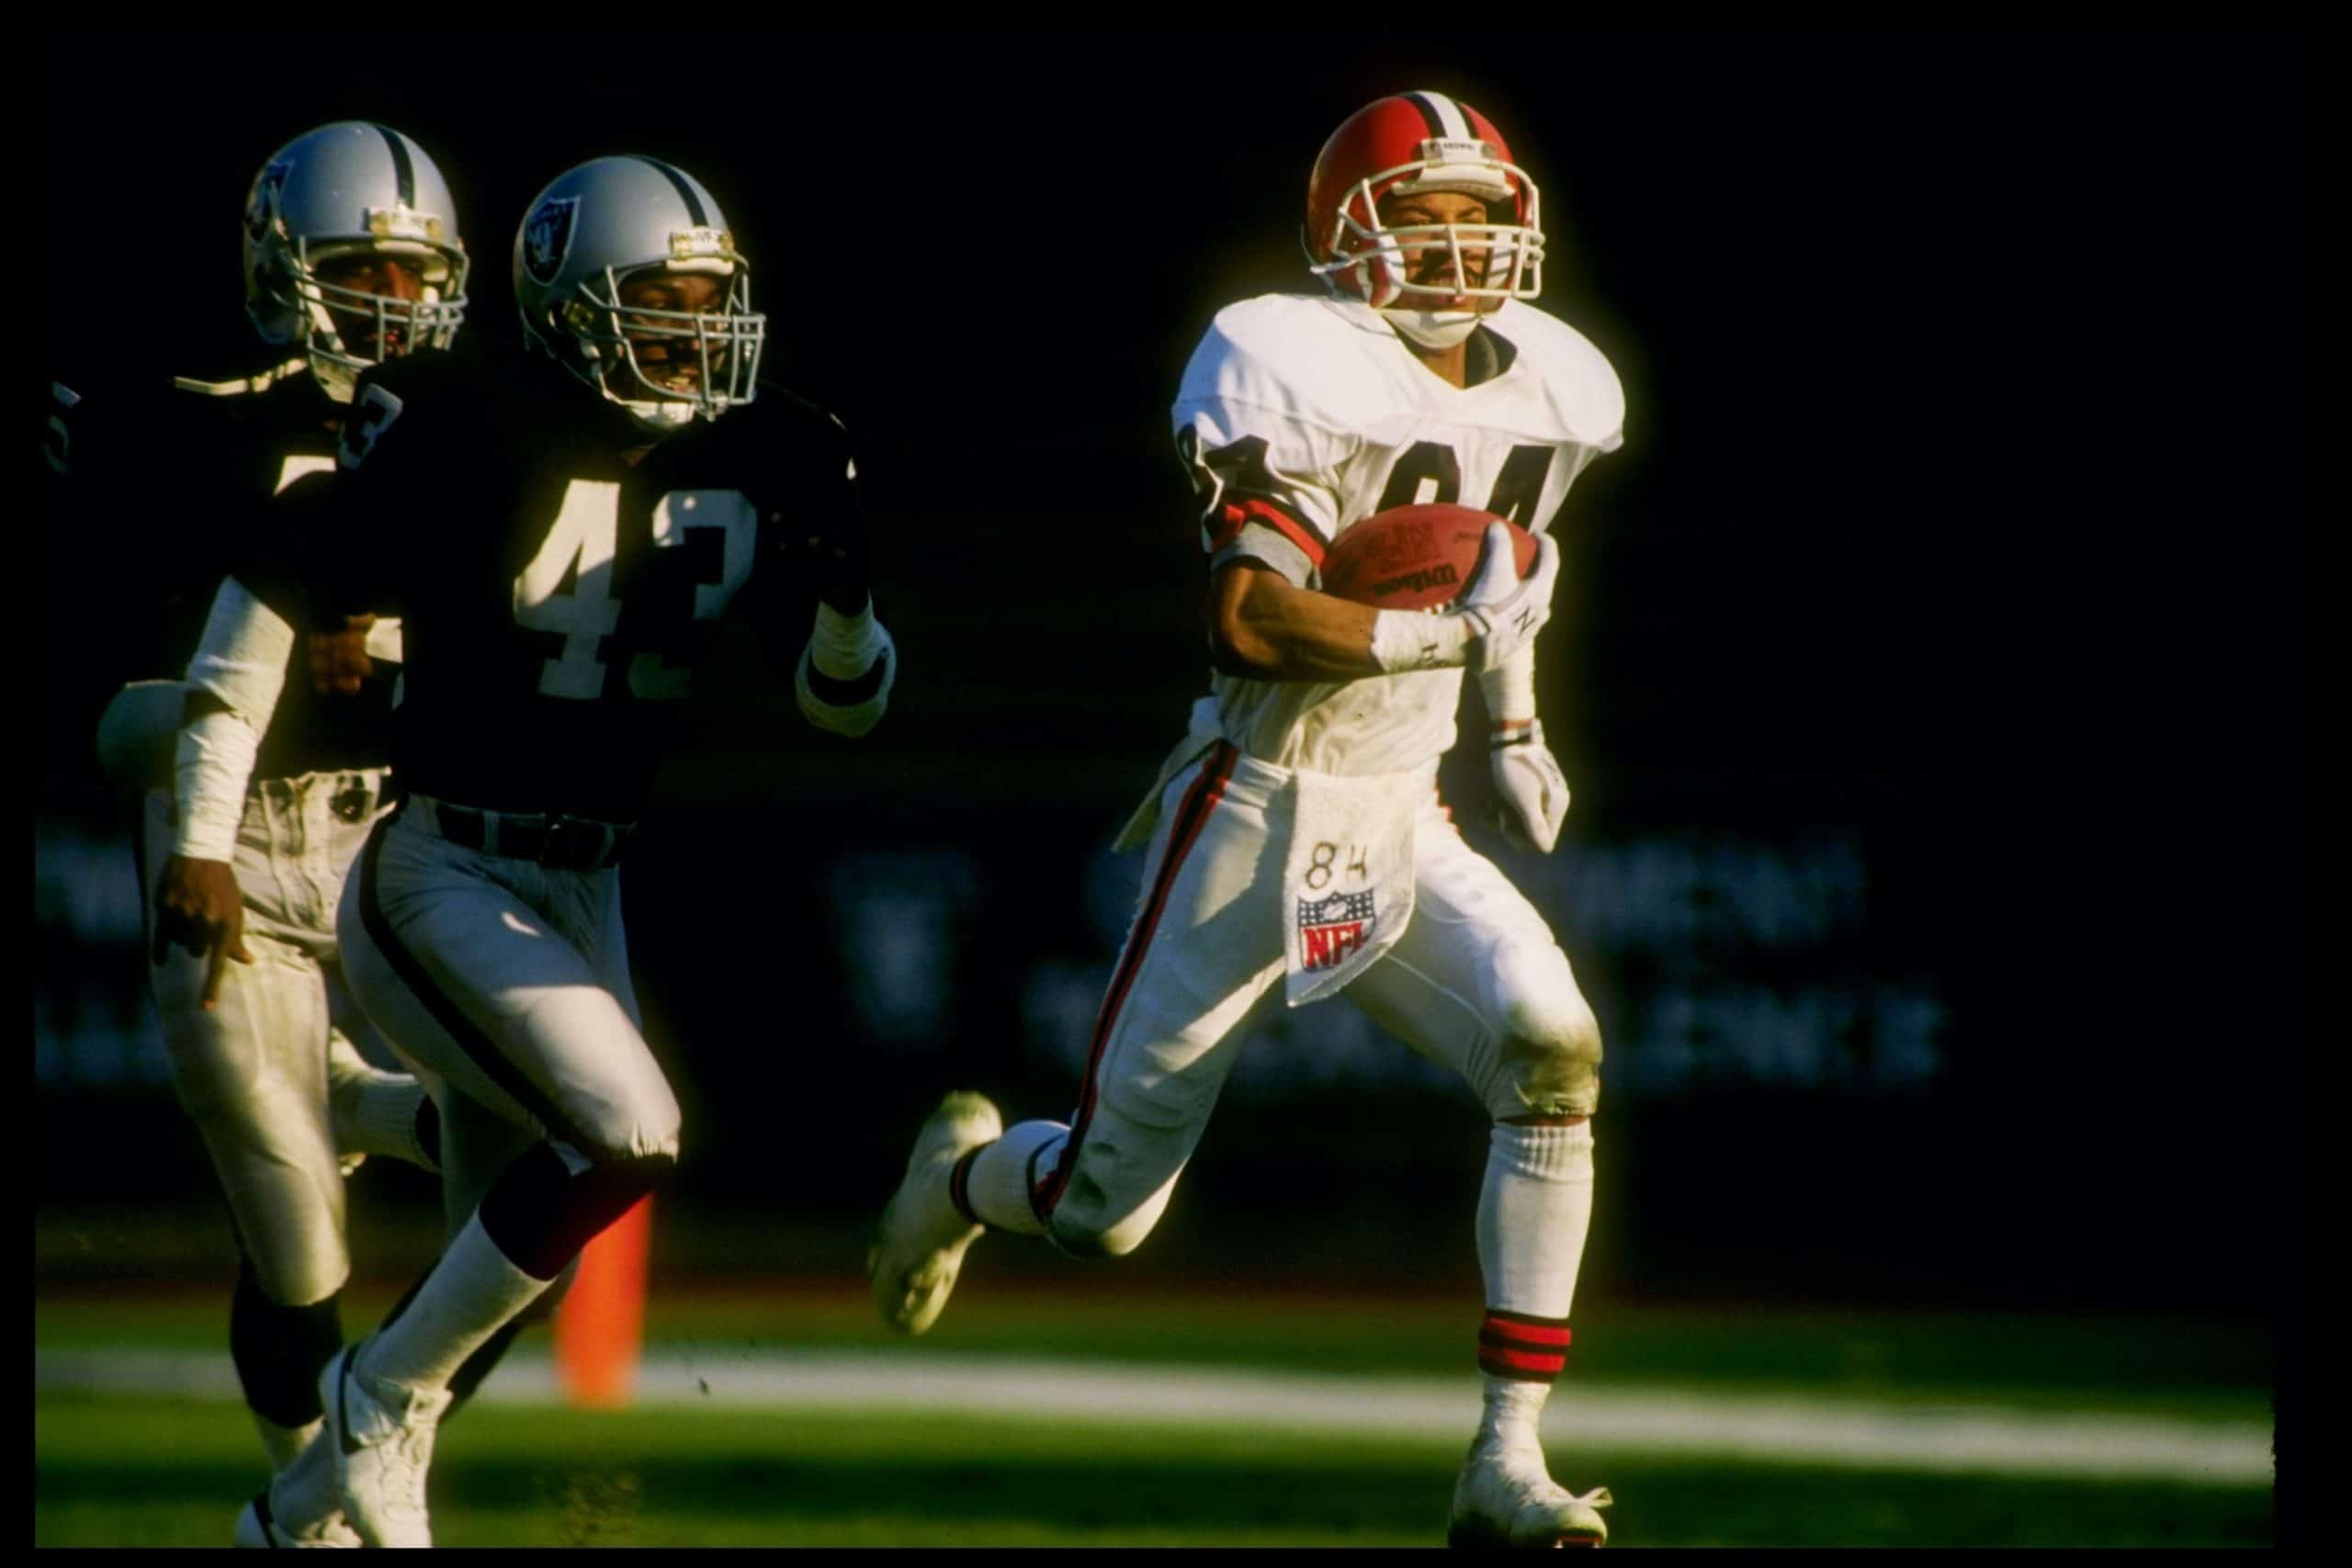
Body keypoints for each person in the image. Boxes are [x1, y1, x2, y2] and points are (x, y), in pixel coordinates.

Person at [870, 90, 1624, 1549]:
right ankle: (961, 1180)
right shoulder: (1290, 363)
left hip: (1407, 813)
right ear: (1354, 239)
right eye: (1423, 216)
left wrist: (1514, 721)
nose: (1458, 246)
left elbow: (1504, 561)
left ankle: (1505, 1462)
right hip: (1258, 806)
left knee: (1552, 1048)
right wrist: (1445, 653)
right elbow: (1249, 624)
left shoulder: (1556, 388)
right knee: (1103, 1211)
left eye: (1479, 216)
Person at [242, 152, 895, 1549]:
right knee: (629, 1129)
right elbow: (295, 564)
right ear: (570, 305)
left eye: (709, 299)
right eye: (660, 299)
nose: (693, 328)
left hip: (585, 883)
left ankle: (289, 1524)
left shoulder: (770, 439)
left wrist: (846, 599)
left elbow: (847, 708)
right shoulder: (478, 423)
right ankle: (369, 1403)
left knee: (503, 1269)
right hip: (444, 870)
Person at [68, 121, 466, 1546]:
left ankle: (313, 1512)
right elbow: (108, 715)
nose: (397, 306)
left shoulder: (474, 433)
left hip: (395, 840)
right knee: (302, 1241)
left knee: (517, 1147)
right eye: (365, 271)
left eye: (419, 275)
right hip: (231, 833)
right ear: (287, 271)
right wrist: (254, 707)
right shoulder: (184, 415)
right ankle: (325, 1491)